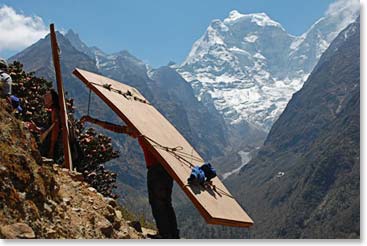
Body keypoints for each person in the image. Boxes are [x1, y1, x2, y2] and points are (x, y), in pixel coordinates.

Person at [80, 115, 180, 239]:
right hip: (166, 170)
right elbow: (120, 129)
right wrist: (94, 120)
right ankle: (173, 235)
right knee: (165, 202)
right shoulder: (153, 130)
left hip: (156, 170)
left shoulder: (142, 130)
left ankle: (165, 235)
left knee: (157, 202)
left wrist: (93, 121)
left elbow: (118, 129)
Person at [25, 89, 62, 161]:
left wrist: (52, 148)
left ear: (51, 99)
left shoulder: (55, 111)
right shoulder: (54, 111)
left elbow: (55, 130)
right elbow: (48, 130)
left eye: (46, 96)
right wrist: (36, 128)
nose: (44, 97)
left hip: (50, 144)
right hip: (49, 143)